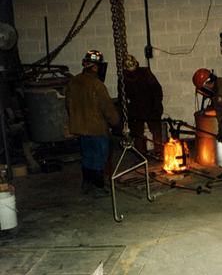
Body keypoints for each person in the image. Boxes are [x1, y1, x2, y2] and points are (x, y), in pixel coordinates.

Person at [66, 49, 120, 197]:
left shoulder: (73, 81)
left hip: (81, 128)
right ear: (95, 67)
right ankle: (98, 186)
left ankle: (87, 184)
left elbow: (68, 104)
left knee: (87, 156)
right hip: (96, 128)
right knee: (99, 157)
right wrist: (116, 123)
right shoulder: (97, 85)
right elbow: (107, 107)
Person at [122, 54, 164, 156]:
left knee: (153, 130)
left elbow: (157, 90)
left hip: (149, 106)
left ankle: (155, 152)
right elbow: (122, 97)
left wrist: (156, 105)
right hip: (138, 109)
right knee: (139, 133)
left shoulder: (144, 74)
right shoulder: (125, 78)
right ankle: (143, 154)